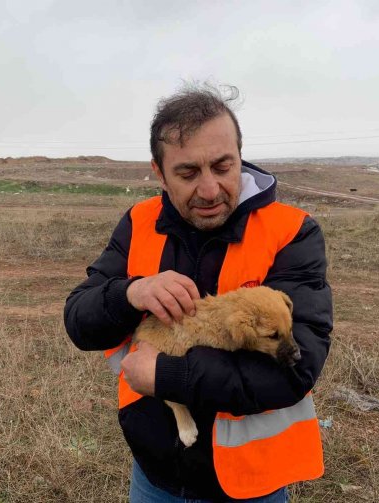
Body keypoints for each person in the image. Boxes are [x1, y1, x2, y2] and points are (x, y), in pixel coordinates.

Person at [64, 83, 333, 502]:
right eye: (188, 173)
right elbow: (79, 322)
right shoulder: (138, 222)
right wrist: (129, 293)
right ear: (159, 171)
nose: (209, 190)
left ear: (240, 157)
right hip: (157, 477)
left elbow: (296, 368)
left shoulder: (291, 232)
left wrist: (169, 377)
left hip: (253, 483)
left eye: (223, 167)